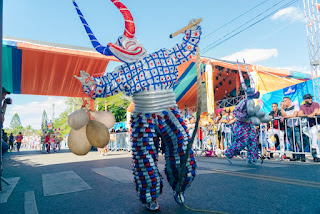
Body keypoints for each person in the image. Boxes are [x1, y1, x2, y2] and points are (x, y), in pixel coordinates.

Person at [73, 0, 201, 210]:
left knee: (181, 150)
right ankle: (150, 196)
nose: (130, 43)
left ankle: (180, 187)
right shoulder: (123, 72)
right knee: (144, 158)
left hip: (169, 112)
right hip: (143, 118)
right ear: (120, 52)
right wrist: (90, 83)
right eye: (124, 43)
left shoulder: (162, 57)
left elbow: (185, 49)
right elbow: (104, 86)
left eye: (131, 40)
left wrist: (192, 31)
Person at [298, 94, 320, 162]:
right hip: (309, 125)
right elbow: (299, 114)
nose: (310, 99)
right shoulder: (302, 106)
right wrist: (307, 115)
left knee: (313, 132)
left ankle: (313, 148)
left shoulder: (315, 104)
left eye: (311, 98)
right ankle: (317, 156)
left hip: (317, 124)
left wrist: (312, 114)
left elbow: (316, 112)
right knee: (313, 139)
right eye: (308, 98)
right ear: (305, 100)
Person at [281, 97, 304, 162]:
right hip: (289, 127)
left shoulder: (295, 107)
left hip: (295, 127)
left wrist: (285, 117)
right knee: (291, 142)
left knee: (299, 142)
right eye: (283, 101)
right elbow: (283, 115)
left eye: (285, 101)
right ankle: (295, 156)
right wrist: (282, 109)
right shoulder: (285, 109)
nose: (284, 102)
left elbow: (294, 115)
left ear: (289, 101)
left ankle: (302, 156)